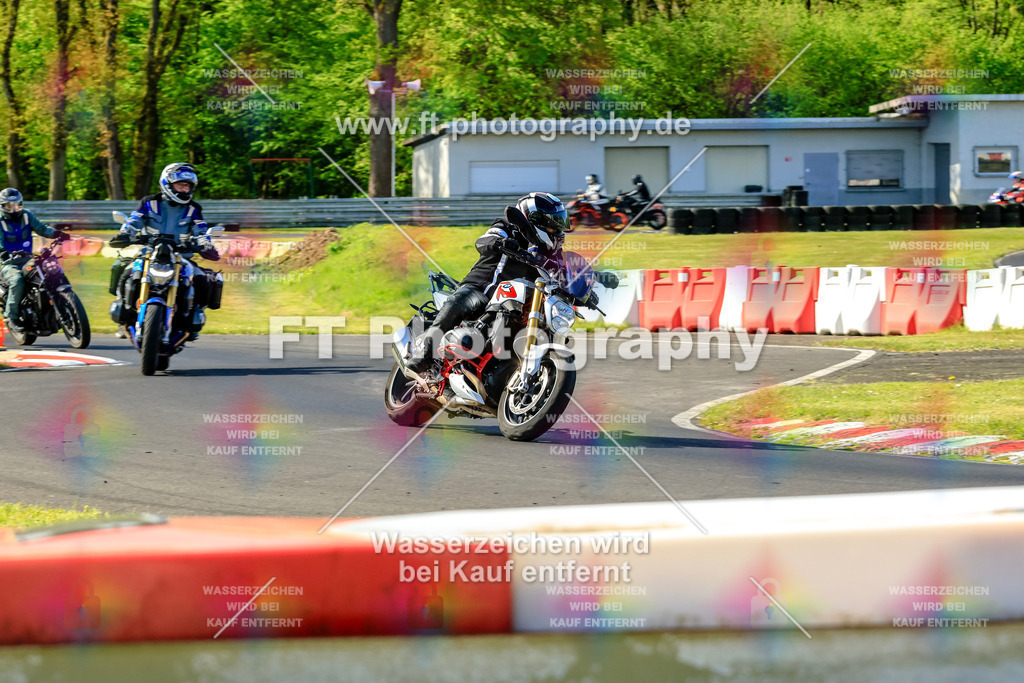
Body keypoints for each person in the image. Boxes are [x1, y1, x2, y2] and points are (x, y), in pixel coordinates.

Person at [406, 191, 569, 374]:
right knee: (459, 302)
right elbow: (484, 241)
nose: (557, 229)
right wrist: (501, 243)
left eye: (559, 223)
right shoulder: (507, 227)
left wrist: (587, 288)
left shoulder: (551, 253)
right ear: (535, 219)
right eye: (553, 223)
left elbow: (565, 275)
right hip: (482, 288)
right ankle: (425, 356)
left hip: (517, 302)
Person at [109, 163, 220, 339]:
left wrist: (205, 244)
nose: (184, 189)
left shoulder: (194, 208)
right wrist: (125, 234)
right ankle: (125, 319)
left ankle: (192, 321)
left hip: (180, 257)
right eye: (180, 185)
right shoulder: (149, 202)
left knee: (201, 280)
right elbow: (134, 221)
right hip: (150, 254)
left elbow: (200, 230)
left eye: (188, 186)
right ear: (167, 184)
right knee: (126, 274)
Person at [0, 188, 70, 334]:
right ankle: (12, 317)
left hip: (28, 259)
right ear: (3, 206)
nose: (13, 208)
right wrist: (3, 253)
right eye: (9, 205)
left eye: (16, 204)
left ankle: (61, 305)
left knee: (50, 272)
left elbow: (41, 228)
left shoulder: (26, 215)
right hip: (9, 263)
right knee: (17, 280)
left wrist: (57, 234)